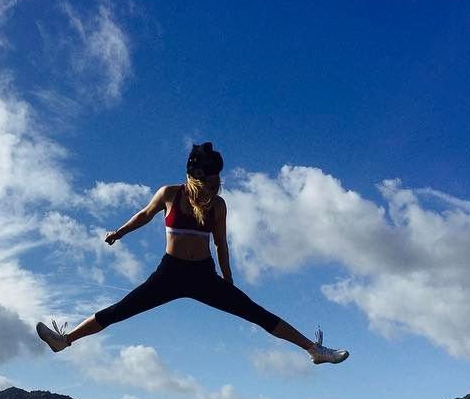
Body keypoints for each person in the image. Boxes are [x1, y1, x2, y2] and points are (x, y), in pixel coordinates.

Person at [36, 143, 349, 364]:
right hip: (170, 273)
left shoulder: (218, 206)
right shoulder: (170, 194)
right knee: (121, 309)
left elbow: (221, 245)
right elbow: (144, 215)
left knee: (256, 312)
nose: (217, 184)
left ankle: (314, 350)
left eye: (217, 179)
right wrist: (119, 233)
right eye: (212, 179)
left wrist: (228, 280)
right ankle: (65, 340)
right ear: (197, 176)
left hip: (203, 275)